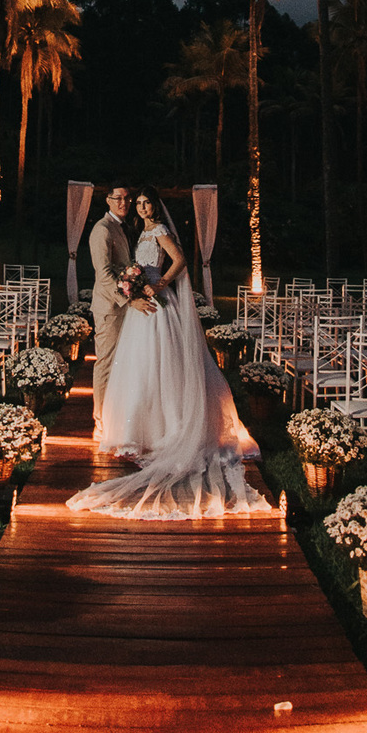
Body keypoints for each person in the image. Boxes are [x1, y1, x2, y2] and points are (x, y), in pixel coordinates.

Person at [68, 185, 269, 519]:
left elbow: (179, 261)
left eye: (145, 203)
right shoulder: (128, 230)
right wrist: (133, 288)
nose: (140, 207)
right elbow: (110, 272)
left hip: (156, 302)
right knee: (137, 367)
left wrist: (158, 285)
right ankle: (132, 427)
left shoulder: (158, 230)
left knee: (162, 365)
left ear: (155, 207)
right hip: (136, 305)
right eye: (138, 203)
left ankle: (164, 427)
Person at [87, 184, 135, 434]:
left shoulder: (122, 228)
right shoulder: (102, 229)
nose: (123, 203)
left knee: (121, 361)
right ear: (107, 200)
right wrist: (129, 300)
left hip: (124, 308)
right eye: (118, 198)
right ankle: (100, 421)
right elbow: (104, 274)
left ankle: (116, 414)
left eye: (127, 198)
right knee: (105, 362)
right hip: (110, 307)